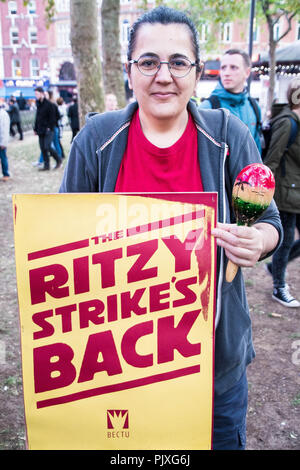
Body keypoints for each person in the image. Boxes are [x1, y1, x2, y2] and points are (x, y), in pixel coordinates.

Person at [60, 6, 282, 450]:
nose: (164, 75)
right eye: (148, 62)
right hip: (118, 370)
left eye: (178, 62)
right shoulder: (96, 140)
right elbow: (63, 242)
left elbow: (270, 222)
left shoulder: (228, 136)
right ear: (130, 71)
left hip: (213, 374)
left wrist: (255, 241)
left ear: (197, 72)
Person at [264, 78, 300, 308]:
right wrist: (265, 196)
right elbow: (272, 160)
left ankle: (275, 266)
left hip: (297, 192)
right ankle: (279, 286)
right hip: (285, 194)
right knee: (285, 241)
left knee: (287, 245)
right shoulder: (288, 123)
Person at [200, 49, 262, 153]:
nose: (226, 73)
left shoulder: (254, 106)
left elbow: (256, 148)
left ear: (247, 72)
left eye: (233, 67)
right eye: (223, 68)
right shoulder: (207, 108)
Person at [33, 87, 61, 171]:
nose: (36, 96)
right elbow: (37, 117)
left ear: (42, 93)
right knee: (42, 148)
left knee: (47, 146)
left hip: (48, 130)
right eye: (35, 94)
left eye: (37, 94)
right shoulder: (38, 104)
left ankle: (58, 160)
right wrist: (35, 128)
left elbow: (53, 118)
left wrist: (49, 127)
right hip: (40, 130)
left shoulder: (49, 104)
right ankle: (46, 165)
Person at [0, 103, 10, 182]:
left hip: (1, 141)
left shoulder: (3, 114)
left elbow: (5, 129)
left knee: (3, 157)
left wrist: (4, 142)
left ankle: (6, 174)